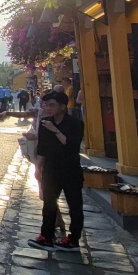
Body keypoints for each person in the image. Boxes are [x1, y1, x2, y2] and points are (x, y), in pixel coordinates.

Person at [28, 90, 86, 253]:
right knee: (49, 204)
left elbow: (71, 146)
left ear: (62, 106)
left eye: (52, 105)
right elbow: (43, 148)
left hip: (70, 169)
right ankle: (45, 237)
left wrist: (55, 130)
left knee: (74, 205)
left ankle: (73, 240)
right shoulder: (45, 122)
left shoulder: (75, 124)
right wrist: (38, 167)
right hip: (51, 169)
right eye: (46, 105)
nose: (47, 108)